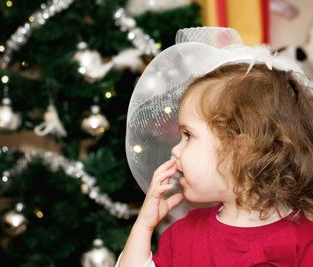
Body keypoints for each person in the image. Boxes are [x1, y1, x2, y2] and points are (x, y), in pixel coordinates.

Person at [117, 27, 313, 266]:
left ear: (240, 148)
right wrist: (143, 227)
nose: (175, 150)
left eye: (188, 135)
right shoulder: (181, 236)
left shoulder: (304, 242)